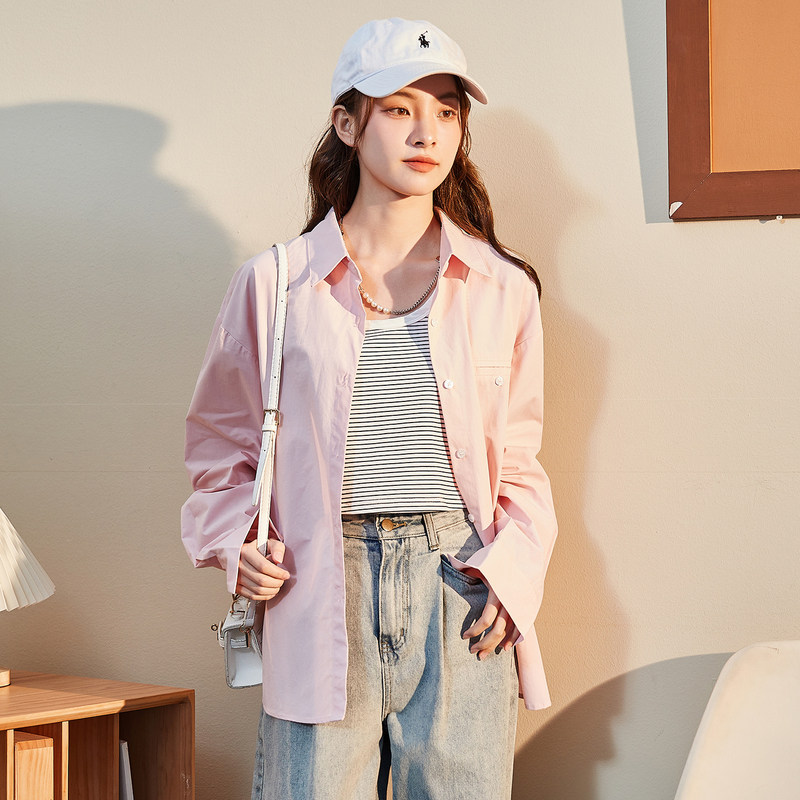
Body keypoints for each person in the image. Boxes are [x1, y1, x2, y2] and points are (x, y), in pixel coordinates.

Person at [182, 17, 558, 800]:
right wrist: (234, 542)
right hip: (321, 581)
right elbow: (219, 447)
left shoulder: (503, 286)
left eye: (447, 110)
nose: (428, 131)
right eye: (398, 108)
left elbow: (520, 463)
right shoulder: (274, 284)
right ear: (348, 125)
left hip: (461, 583)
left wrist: (513, 577)